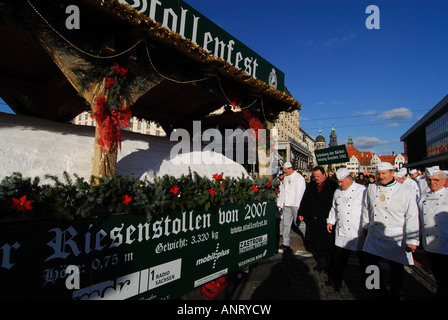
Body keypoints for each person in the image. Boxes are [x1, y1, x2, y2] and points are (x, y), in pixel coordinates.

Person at [361, 162, 420, 299]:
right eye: (379, 174)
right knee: (370, 263)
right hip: (375, 234)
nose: (381, 177)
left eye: (384, 174)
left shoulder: (405, 191)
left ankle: (394, 294)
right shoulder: (372, 187)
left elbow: (412, 215)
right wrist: (365, 225)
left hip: (395, 236)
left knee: (396, 269)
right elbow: (366, 208)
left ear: (392, 173)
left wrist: (412, 239)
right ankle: (375, 289)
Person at [326, 168, 367, 291]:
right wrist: (330, 221)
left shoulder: (361, 190)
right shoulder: (337, 191)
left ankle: (371, 283)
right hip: (342, 231)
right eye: (339, 182)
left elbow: (367, 209)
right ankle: (335, 280)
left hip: (357, 231)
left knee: (365, 261)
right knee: (338, 260)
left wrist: (366, 225)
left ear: (349, 179)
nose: (340, 184)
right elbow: (334, 207)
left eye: (342, 182)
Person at [298, 166, 338, 272]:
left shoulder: (332, 185)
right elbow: (305, 199)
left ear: (324, 175)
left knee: (328, 243)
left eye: (318, 176)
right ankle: (321, 263)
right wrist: (301, 212)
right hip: (314, 218)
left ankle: (329, 265)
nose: (316, 178)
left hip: (327, 218)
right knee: (316, 242)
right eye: (314, 176)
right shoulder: (311, 186)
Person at [418, 166, 448, 299]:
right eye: (429, 180)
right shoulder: (423, 198)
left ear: (444, 180)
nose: (432, 183)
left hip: (445, 244)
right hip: (429, 245)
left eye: (436, 180)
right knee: (438, 274)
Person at [277, 162, 306, 251]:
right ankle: (286, 242)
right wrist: (281, 203)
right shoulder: (286, 178)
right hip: (287, 204)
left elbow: (301, 192)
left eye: (286, 170)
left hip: (296, 204)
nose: (285, 172)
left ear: (290, 168)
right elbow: (283, 192)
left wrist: (299, 206)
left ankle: (308, 238)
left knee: (299, 223)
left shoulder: (299, 178)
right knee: (286, 224)